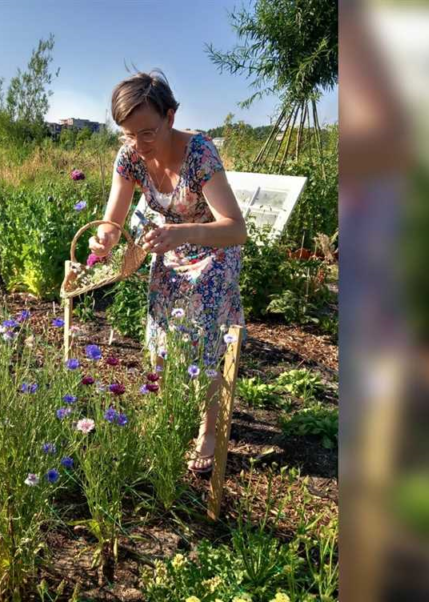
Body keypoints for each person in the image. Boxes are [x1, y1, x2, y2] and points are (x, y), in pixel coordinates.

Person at [89, 70, 247, 474]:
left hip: (212, 250)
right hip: (168, 245)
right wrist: (104, 239)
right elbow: (113, 219)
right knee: (161, 333)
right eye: (127, 134)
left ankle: (207, 430)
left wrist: (183, 233)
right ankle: (168, 415)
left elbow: (235, 228)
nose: (137, 145)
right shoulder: (129, 157)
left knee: (206, 339)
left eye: (147, 133)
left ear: (171, 117)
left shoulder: (200, 155)